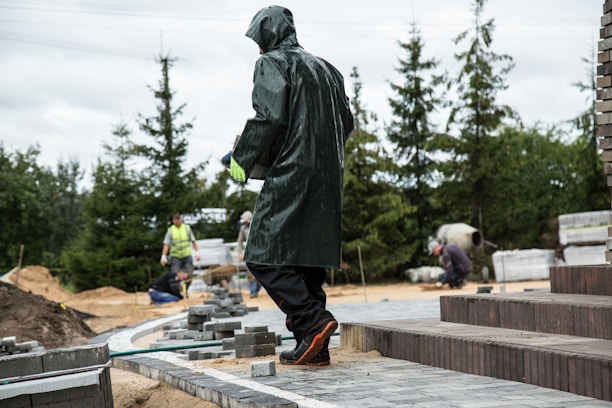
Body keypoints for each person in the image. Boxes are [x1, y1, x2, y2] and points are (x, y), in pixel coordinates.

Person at [226, 5, 354, 367]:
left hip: (291, 172)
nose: (258, 50)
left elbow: (269, 117)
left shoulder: (273, 63)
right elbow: (346, 123)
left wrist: (241, 159)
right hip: (329, 178)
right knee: (307, 256)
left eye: (258, 41)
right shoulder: (329, 70)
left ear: (266, 36)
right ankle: (313, 346)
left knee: (262, 254)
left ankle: (314, 322)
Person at [236, 210, 261, 298]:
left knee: (259, 275)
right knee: (250, 274)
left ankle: (257, 289)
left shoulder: (257, 226)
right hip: (249, 255)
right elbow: (239, 242)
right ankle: (253, 291)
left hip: (259, 254)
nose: (245, 222)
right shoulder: (243, 228)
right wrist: (240, 253)